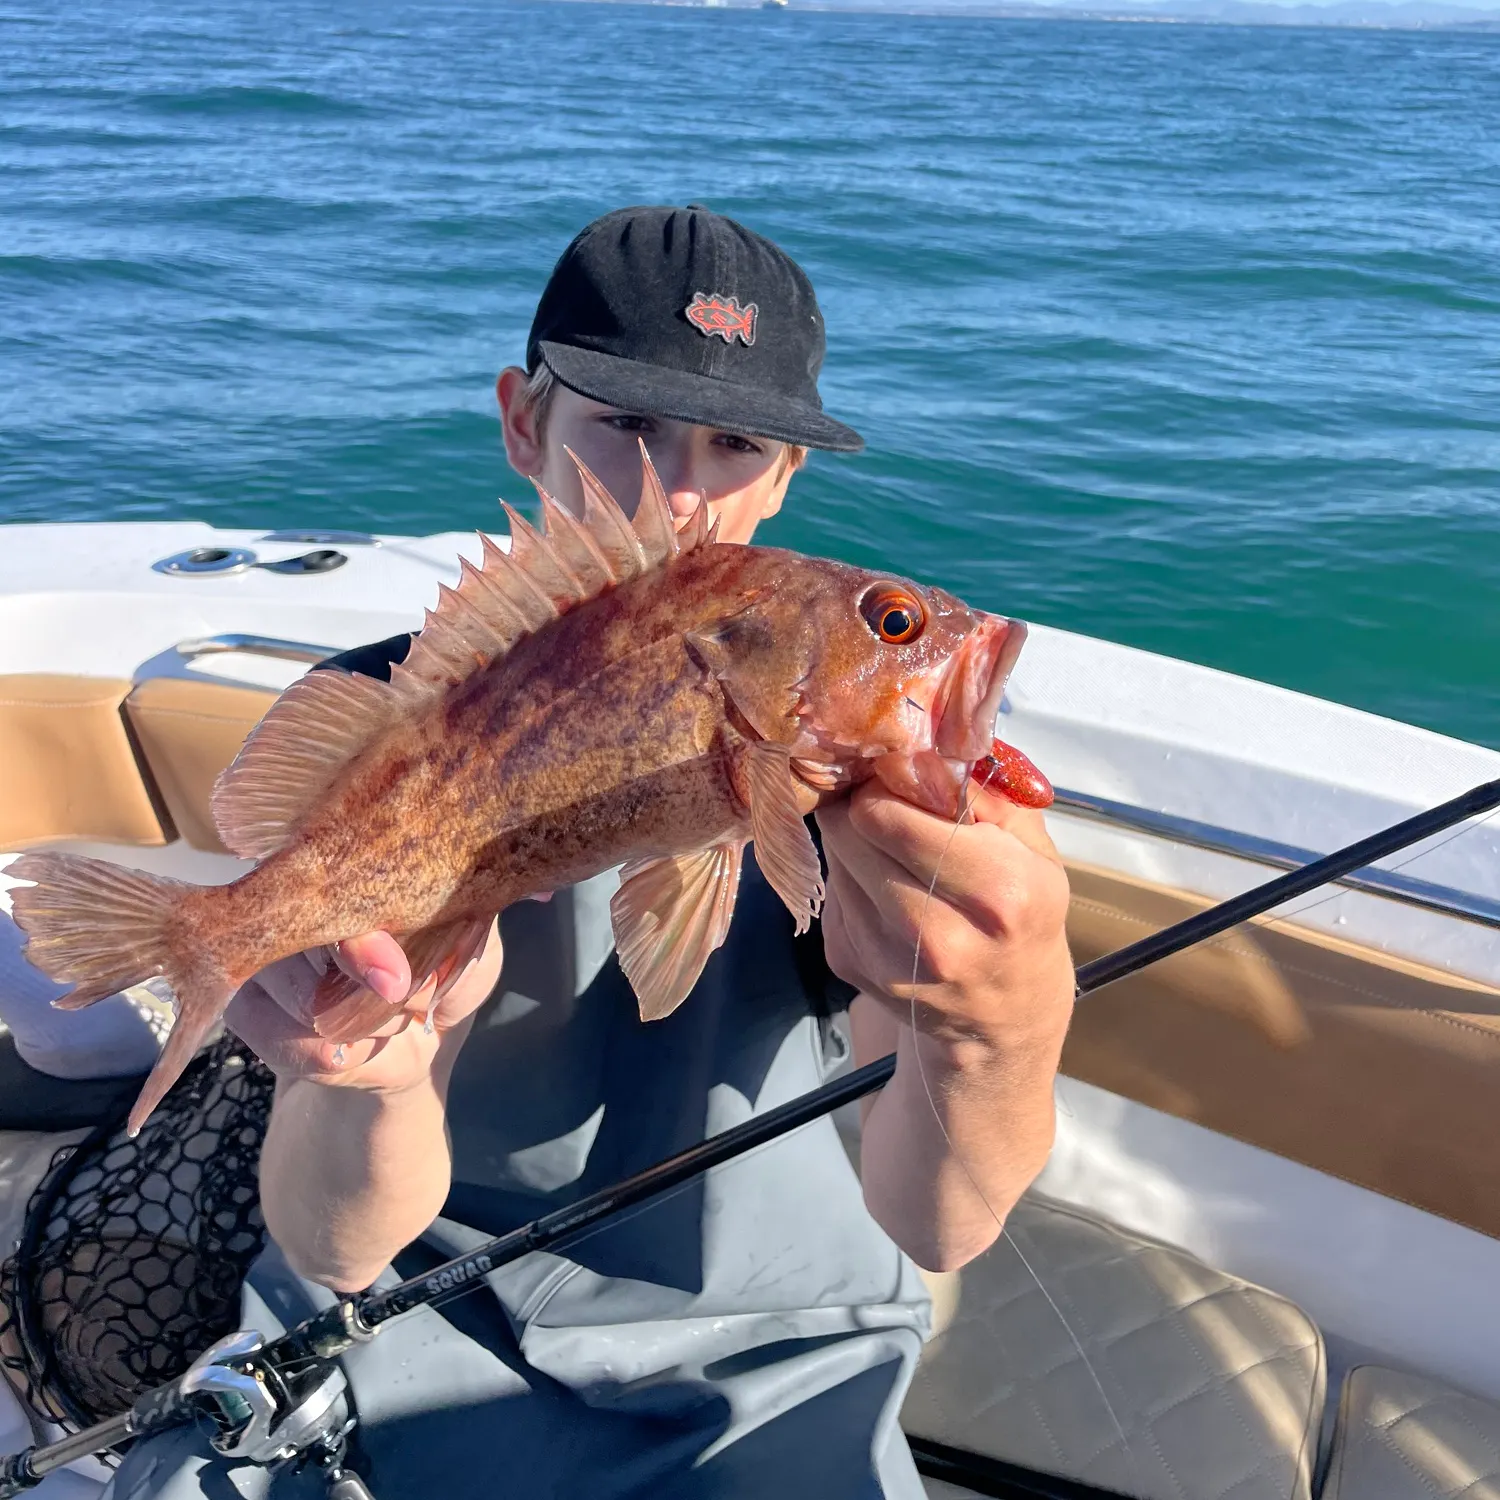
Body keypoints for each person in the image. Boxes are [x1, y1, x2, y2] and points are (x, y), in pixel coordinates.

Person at [108, 206, 1075, 1499]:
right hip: (407, 1329)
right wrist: (373, 1074)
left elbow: (938, 1226)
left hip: (765, 1359)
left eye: (736, 444)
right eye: (623, 425)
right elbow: (340, 1249)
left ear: (786, 478)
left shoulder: (867, 779)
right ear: (524, 423)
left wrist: (998, 1026)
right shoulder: (398, 724)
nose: (679, 493)